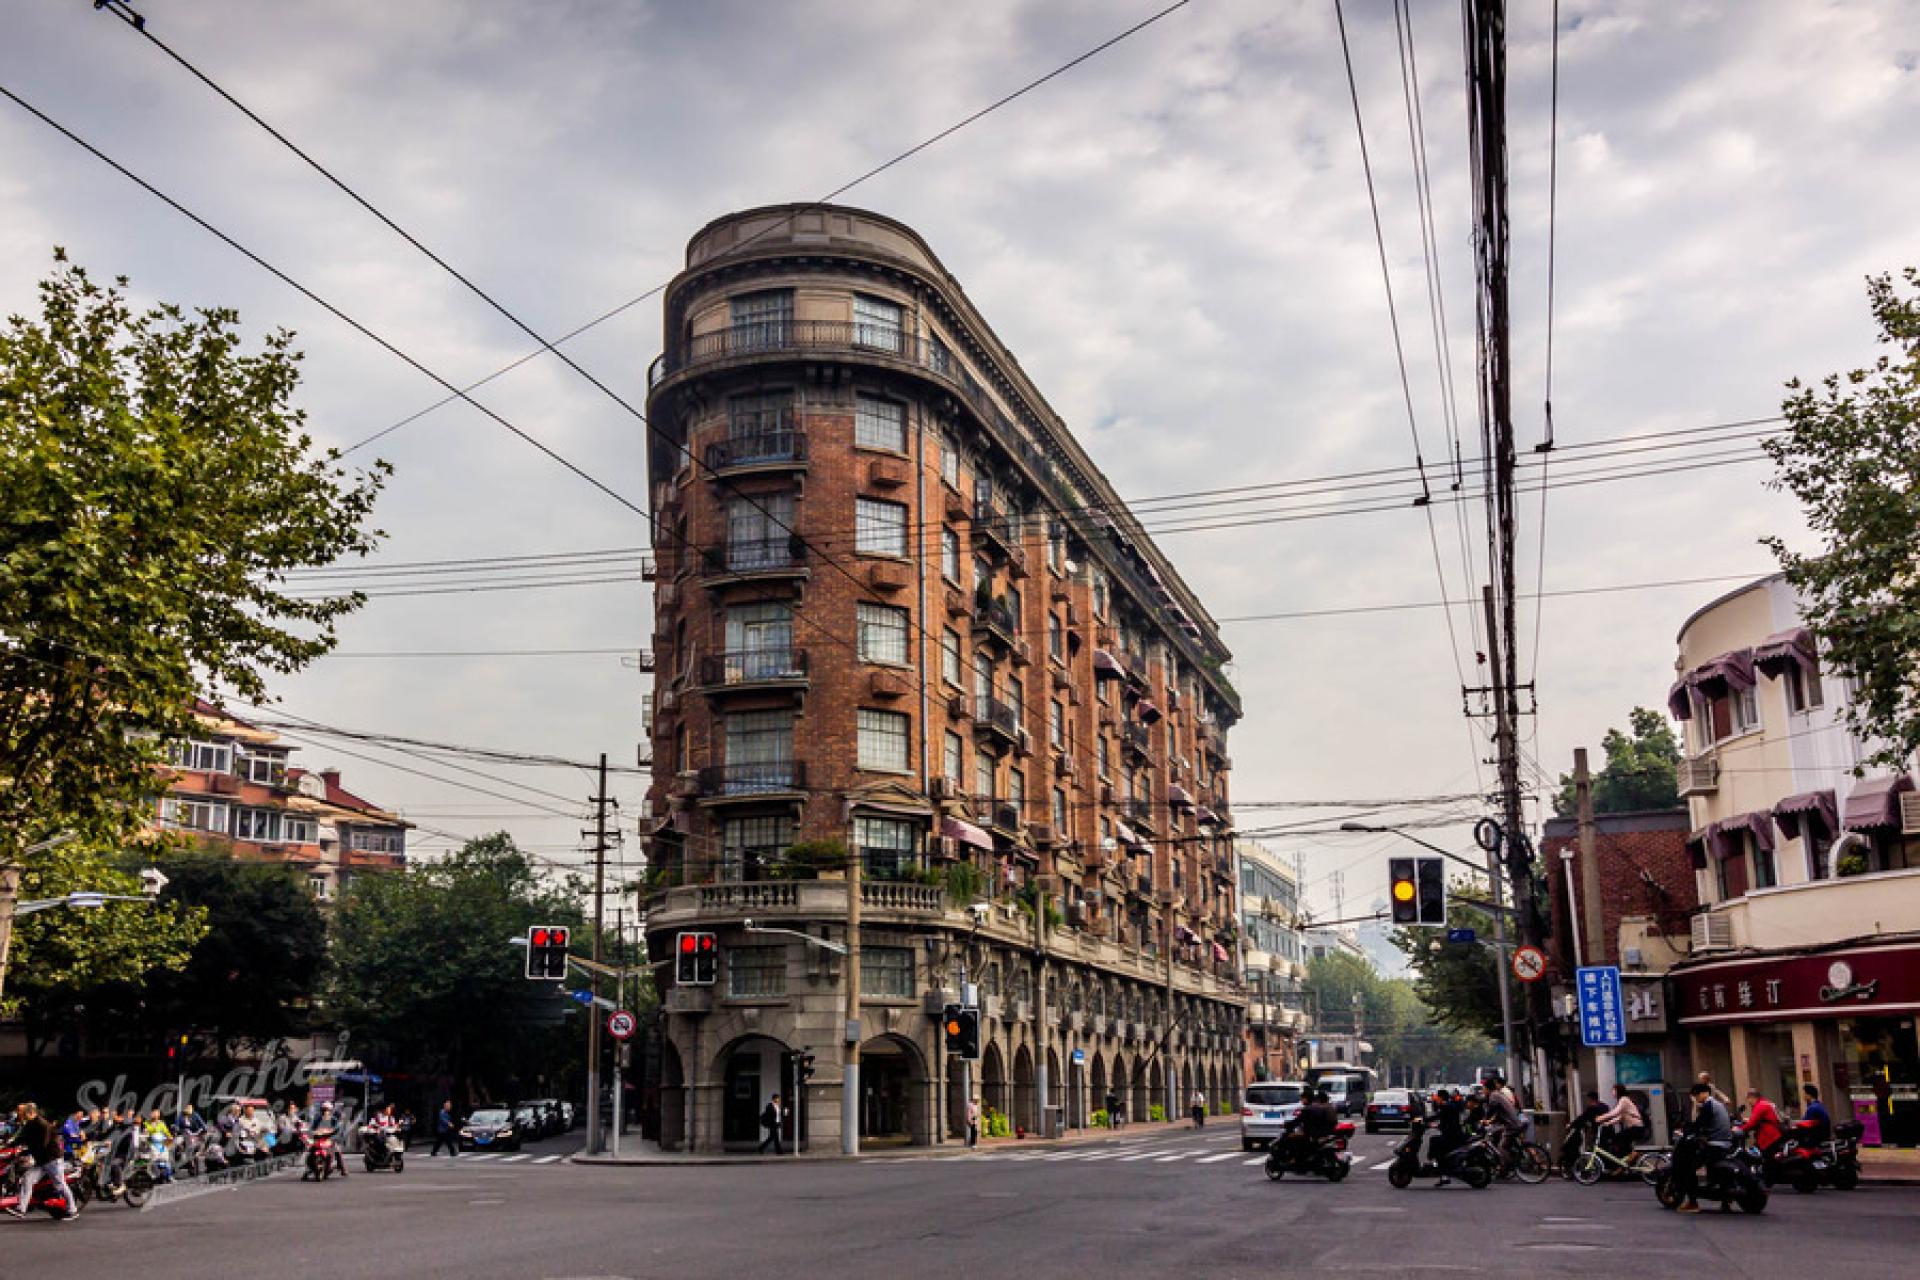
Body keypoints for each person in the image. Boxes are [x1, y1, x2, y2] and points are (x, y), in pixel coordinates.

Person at [7, 1103, 76, 1220]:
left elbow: (42, 1144)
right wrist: (9, 1145)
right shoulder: (29, 1124)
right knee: (27, 1178)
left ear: (31, 1113)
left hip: (52, 1160)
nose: (22, 1116)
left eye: (24, 1114)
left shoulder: (43, 1125)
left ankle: (72, 1210)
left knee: (59, 1185)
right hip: (41, 1161)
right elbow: (21, 1137)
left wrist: (24, 1151)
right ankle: (21, 1209)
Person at [1673, 1080, 1733, 1213]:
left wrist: (1685, 1132)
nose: (1695, 1099)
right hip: (1725, 1144)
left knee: (1687, 1166)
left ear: (1703, 1094)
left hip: (1715, 1145)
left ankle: (1693, 1202)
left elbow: (1699, 1124)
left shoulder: (1708, 1106)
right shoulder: (1719, 1105)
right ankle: (1725, 1201)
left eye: (1695, 1096)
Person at [1736, 1087, 1784, 1159]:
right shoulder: (1764, 1102)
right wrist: (1748, 1120)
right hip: (1774, 1135)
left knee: (1766, 1159)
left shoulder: (1759, 1106)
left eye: (1748, 1099)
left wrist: (1738, 1129)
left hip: (1768, 1138)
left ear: (1752, 1097)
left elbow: (1751, 1124)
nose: (1748, 1102)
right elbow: (1761, 1119)